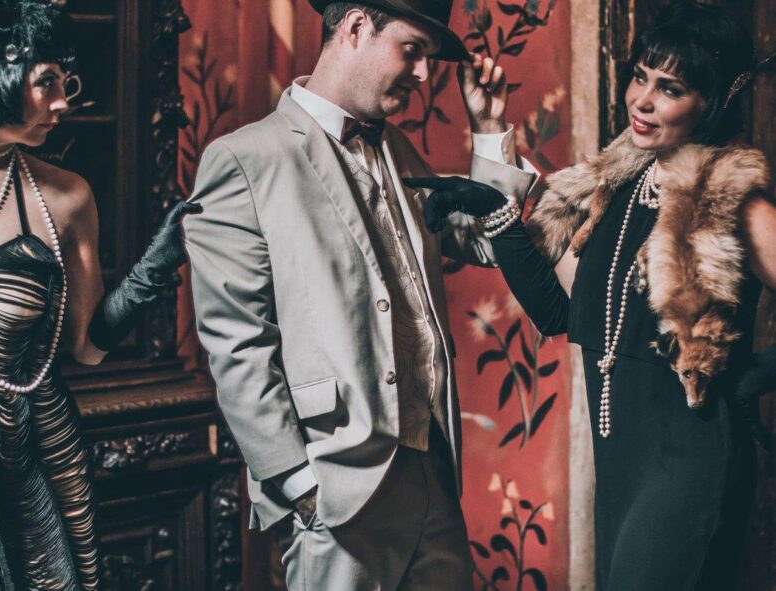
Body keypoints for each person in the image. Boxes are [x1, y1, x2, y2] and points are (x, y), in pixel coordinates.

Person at [406, 2, 776, 589]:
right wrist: (497, 212)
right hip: (620, 460)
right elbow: (558, 311)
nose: (642, 101)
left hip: (688, 463)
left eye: (670, 88)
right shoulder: (617, 190)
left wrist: (754, 374)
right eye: (640, 77)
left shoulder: (730, 203)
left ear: (710, 104)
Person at [183, 0, 538, 588]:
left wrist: (489, 127)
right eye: (412, 50)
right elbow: (236, 341)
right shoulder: (245, 160)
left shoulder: (396, 149)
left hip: (431, 470)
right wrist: (298, 482)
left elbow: (481, 239)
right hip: (336, 486)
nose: (423, 74)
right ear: (354, 27)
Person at [0, 0, 198, 589]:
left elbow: (86, 348)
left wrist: (153, 269)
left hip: (28, 474)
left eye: (66, 83)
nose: (63, 103)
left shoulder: (64, 198)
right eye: (47, 82)